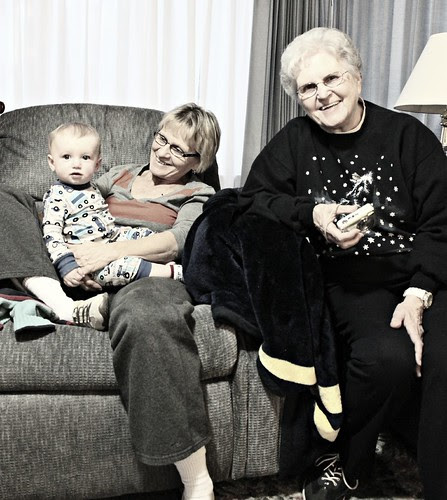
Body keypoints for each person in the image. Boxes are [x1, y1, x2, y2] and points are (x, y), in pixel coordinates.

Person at [234, 27, 447, 500]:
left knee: (443, 356)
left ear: (357, 76)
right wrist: (313, 215)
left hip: (423, 276)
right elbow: (251, 202)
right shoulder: (295, 141)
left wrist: (418, 294)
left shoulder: (408, 137)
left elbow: (441, 222)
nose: (323, 94)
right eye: (308, 87)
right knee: (386, 358)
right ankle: (351, 465)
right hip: (352, 281)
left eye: (332, 78)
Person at [2, 102, 220, 500]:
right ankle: (63, 304)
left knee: (147, 318)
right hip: (75, 263)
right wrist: (65, 248)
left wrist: (107, 253)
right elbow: (69, 198)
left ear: (198, 161)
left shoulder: (199, 193)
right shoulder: (120, 174)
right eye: (161, 139)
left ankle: (195, 477)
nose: (162, 152)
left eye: (178, 149)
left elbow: (177, 242)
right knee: (5, 199)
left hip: (141, 272)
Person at [43, 122, 184, 290]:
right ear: (52, 162)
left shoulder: (91, 187)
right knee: (125, 267)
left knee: (143, 234)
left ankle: (163, 262)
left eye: (85, 157)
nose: (76, 164)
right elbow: (51, 234)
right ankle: (173, 272)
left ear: (97, 165)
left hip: (113, 237)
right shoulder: (57, 196)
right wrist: (67, 265)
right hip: (86, 257)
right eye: (67, 157)